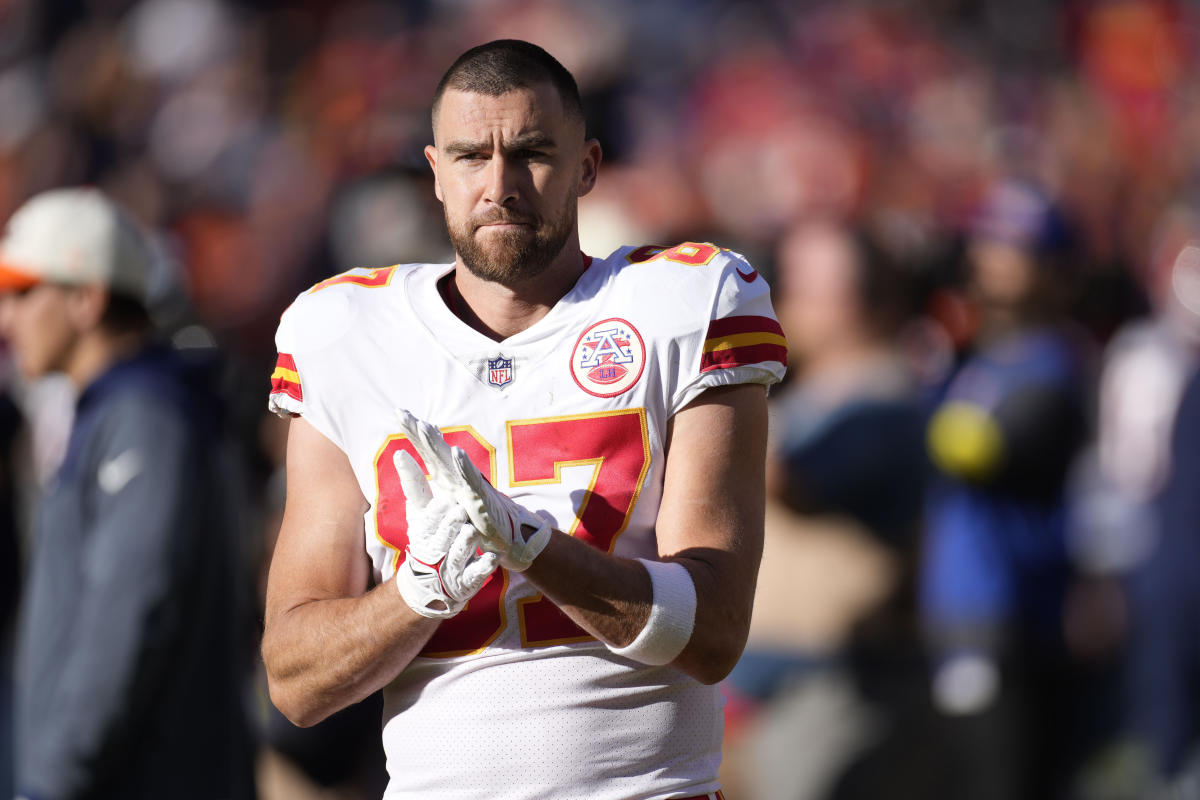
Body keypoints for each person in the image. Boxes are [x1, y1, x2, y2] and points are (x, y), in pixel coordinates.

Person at [260, 39, 786, 799]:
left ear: (587, 167)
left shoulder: (686, 303)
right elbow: (296, 682)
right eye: (472, 156)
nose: (500, 186)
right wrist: (421, 591)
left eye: (532, 152)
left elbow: (714, 634)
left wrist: (530, 546)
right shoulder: (342, 330)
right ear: (434, 175)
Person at [0, 187, 256, 799]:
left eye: (23, 290)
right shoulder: (125, 412)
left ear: (86, 298)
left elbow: (130, 608)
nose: (7, 317)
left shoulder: (145, 418)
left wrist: (57, 770)